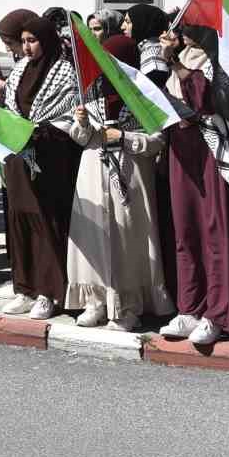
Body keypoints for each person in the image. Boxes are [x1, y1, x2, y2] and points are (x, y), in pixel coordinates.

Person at [155, 27, 229, 346]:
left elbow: (203, 99)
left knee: (215, 233)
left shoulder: (224, 62)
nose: (182, 35)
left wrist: (173, 61)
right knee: (186, 231)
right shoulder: (174, 60)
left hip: (214, 151)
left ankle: (218, 313)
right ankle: (190, 307)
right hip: (180, 150)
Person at [65, 35, 172, 330]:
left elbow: (158, 141)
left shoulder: (143, 93)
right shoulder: (92, 89)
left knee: (129, 239)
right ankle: (96, 300)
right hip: (92, 171)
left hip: (131, 174)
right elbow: (81, 138)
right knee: (93, 235)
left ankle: (129, 307)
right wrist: (83, 124)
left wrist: (124, 138)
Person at [0, 14, 80, 320]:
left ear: (45, 40)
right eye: (23, 41)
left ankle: (49, 293)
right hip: (20, 158)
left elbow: (69, 116)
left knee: (46, 223)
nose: (27, 47)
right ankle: (25, 288)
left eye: (32, 41)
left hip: (50, 160)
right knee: (21, 222)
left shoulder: (65, 72)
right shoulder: (19, 70)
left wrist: (40, 133)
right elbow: (10, 109)